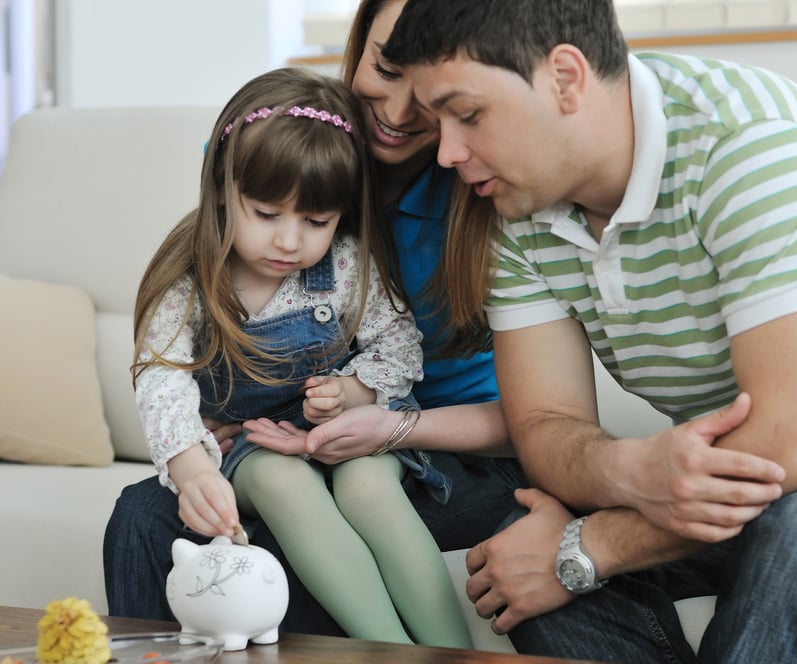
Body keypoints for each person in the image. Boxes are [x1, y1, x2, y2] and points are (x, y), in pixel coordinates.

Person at [381, 1, 797, 662]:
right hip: (745, 493)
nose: (448, 151)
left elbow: (790, 450)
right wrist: (625, 466)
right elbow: (545, 427)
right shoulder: (514, 200)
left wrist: (593, 546)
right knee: (518, 551)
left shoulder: (749, 144)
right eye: (436, 121)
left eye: (468, 114)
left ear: (565, 77)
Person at [103, 0, 526, 638]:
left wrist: (355, 393)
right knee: (234, 491)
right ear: (222, 192)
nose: (289, 242)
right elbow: (161, 378)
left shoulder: (350, 265)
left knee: (366, 488)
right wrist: (191, 460)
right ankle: (385, 647)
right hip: (257, 450)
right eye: (267, 215)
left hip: (374, 439)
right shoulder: (192, 278)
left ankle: (449, 650)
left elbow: (397, 345)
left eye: (316, 222)